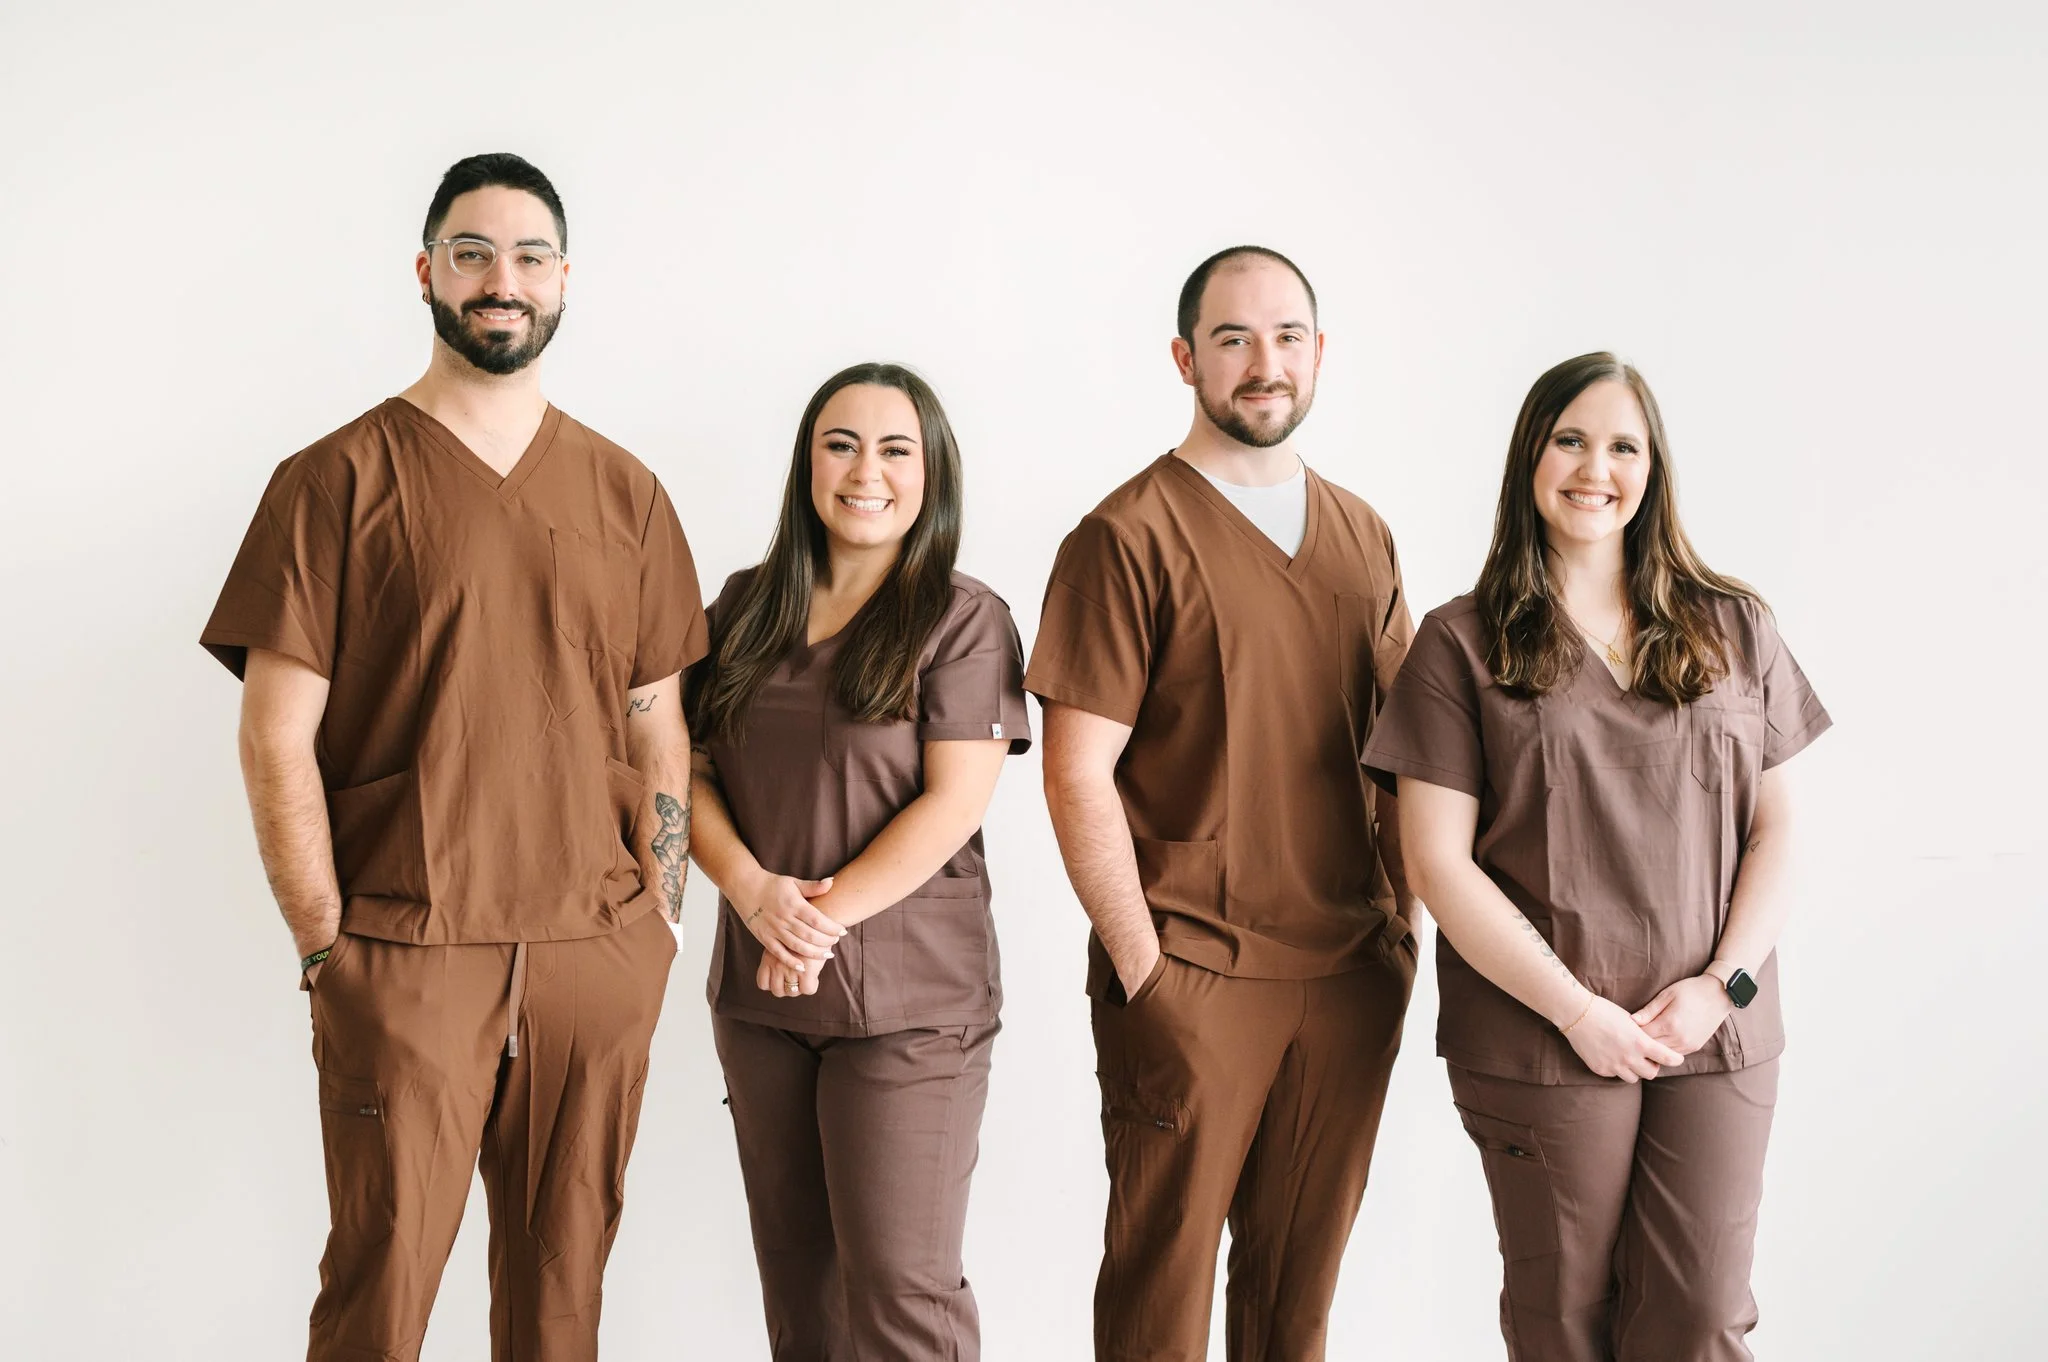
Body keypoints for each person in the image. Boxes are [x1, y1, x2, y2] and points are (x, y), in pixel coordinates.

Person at [199, 153, 703, 1362]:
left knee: (563, 1299)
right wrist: (327, 940)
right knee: (380, 1297)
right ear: (426, 273)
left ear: (565, 281)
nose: (501, 281)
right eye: (472, 254)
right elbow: (276, 731)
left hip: (594, 952)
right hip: (409, 944)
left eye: (528, 257)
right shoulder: (334, 482)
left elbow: (657, 722)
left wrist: (663, 923)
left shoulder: (624, 491)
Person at [1362, 352, 1832, 1361]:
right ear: (1529, 457)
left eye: (1622, 445)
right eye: (1568, 438)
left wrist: (1722, 984)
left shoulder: (1731, 625)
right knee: (1566, 1319)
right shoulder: (1459, 644)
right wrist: (1577, 1012)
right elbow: (1436, 865)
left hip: (1712, 1028)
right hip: (1541, 1035)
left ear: (1652, 469)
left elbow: (1777, 827)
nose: (1594, 467)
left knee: (1699, 1308)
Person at [1027, 246, 1417, 1361]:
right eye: (1234, 338)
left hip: (1346, 977)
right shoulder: (1127, 536)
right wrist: (1146, 964)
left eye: (1286, 336)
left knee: (1294, 1309)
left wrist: (1402, 933)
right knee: (1161, 1301)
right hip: (1193, 970)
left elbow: (1402, 756)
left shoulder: (1361, 535)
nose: (1263, 363)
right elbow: (1073, 769)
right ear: (1184, 356)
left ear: (1318, 353)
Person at [684, 363, 1030, 1360]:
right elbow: (684, 771)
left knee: (899, 1293)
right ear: (804, 466)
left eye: (894, 449)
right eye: (839, 444)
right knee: (803, 1301)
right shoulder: (743, 607)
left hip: (910, 1008)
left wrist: (811, 922)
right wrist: (754, 895)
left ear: (931, 474)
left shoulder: (964, 618)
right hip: (763, 1003)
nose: (864, 471)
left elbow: (953, 801)